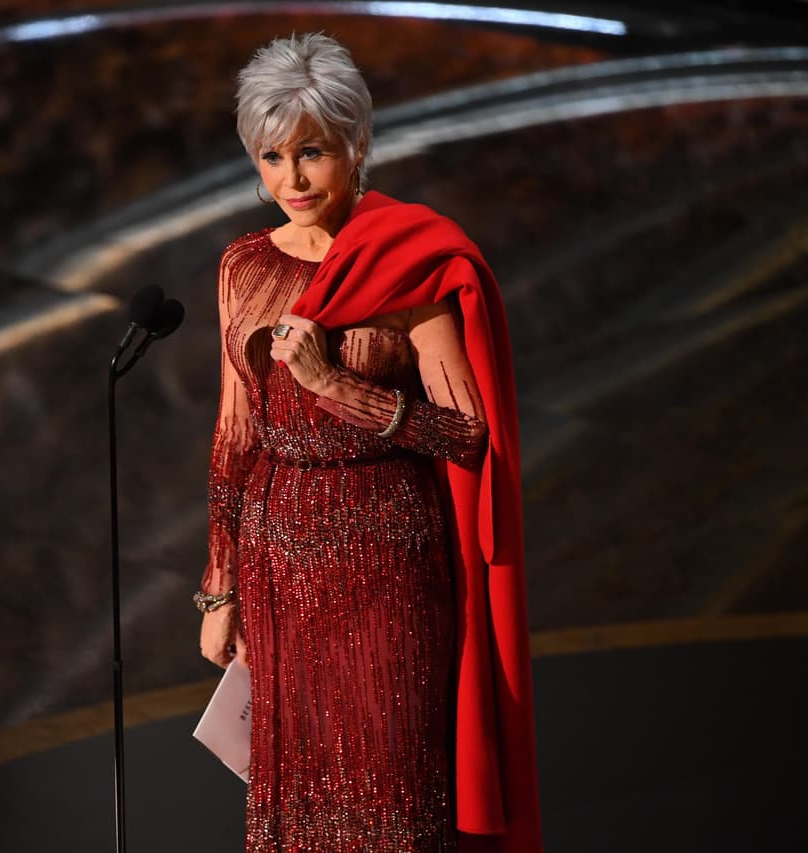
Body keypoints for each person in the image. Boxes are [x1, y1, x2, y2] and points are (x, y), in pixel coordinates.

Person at [195, 34, 541, 851]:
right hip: (279, 559)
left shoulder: (409, 264)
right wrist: (219, 587)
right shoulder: (242, 268)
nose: (293, 180)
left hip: (388, 555)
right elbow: (234, 432)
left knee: (390, 791)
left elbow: (466, 435)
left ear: (355, 144)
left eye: (311, 152)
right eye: (272, 155)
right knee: (302, 798)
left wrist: (336, 387)